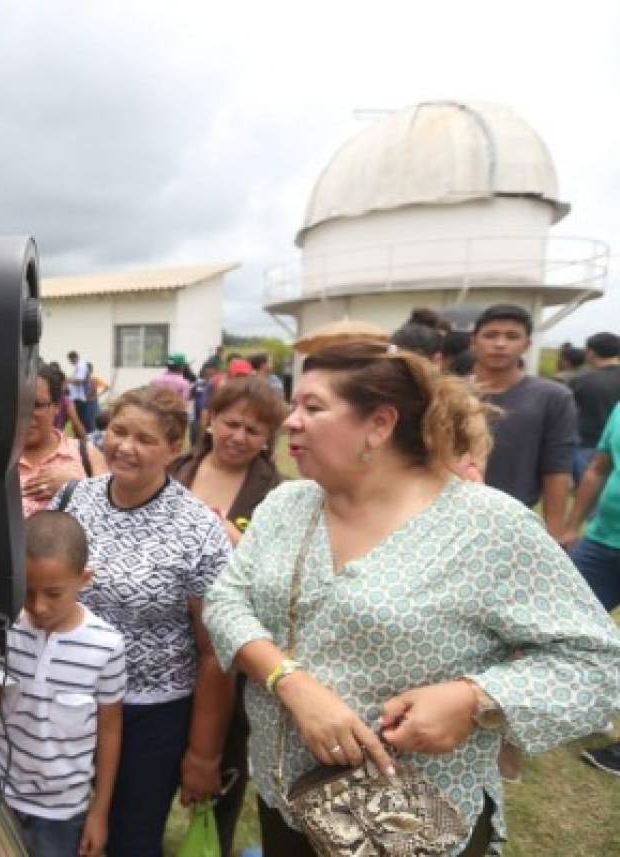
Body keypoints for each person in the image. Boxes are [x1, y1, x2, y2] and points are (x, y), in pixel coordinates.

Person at [204, 340, 620, 856]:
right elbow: (225, 602)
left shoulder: (487, 526)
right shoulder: (288, 504)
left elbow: (596, 665)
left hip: (410, 824)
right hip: (288, 796)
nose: (291, 421)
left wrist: (473, 701)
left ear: (379, 424)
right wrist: (291, 683)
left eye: (312, 407)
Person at [53, 385, 233, 856]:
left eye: (145, 439)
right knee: (62, 829)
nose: (125, 447)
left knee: (129, 838)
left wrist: (203, 752)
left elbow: (215, 650)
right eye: (118, 431)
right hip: (70, 698)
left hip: (149, 714)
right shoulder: (74, 500)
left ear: (175, 449)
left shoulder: (198, 529)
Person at [170, 376, 286, 857]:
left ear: (267, 439)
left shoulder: (279, 494)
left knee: (222, 764)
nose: (240, 436)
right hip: (166, 639)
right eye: (232, 423)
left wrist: (234, 542)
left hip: (230, 657)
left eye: (254, 430)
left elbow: (281, 577)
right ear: (209, 420)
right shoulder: (175, 469)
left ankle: (211, 841)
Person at [0, 511, 125, 856]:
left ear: (84, 578)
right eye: (28, 591)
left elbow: (110, 732)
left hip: (61, 813)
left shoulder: (106, 646)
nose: (39, 606)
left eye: (54, 593)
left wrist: (99, 814)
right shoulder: (5, 627)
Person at [472, 304, 577, 541]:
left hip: (514, 521)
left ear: (527, 344)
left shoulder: (553, 397)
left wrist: (552, 534)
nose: (500, 344)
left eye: (512, 336)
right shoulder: (449, 393)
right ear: (473, 342)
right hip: (450, 518)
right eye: (490, 335)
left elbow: (557, 468)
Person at [562, 399, 620, 775]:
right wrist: (573, 524)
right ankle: (584, 706)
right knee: (563, 625)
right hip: (603, 542)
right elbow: (599, 468)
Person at [19, 365, 107, 517]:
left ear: (57, 406)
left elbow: (112, 508)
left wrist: (75, 488)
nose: (26, 414)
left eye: (37, 405)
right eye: (18, 405)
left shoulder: (86, 454)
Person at [569, 332, 620, 483]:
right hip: (617, 444)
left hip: (589, 445)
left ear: (590, 352)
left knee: (590, 492)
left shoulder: (581, 381)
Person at [66, 350, 98, 435]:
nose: (70, 362)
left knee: (85, 422)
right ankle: (81, 439)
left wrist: (68, 380)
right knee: (81, 422)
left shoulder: (81, 365)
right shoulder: (78, 366)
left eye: (71, 360)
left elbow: (80, 380)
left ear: (74, 358)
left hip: (83, 399)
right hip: (80, 398)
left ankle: (87, 440)